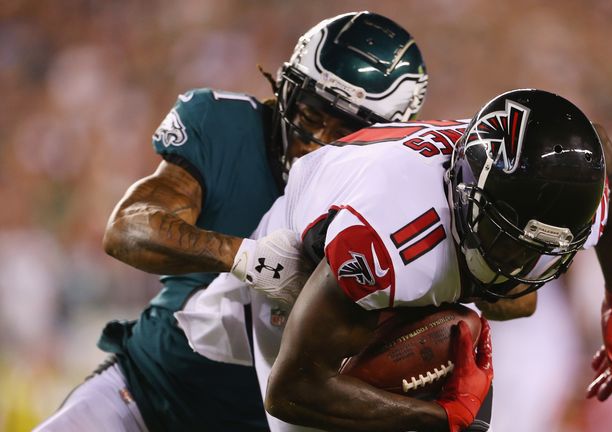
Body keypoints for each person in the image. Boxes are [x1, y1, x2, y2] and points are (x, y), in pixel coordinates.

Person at [33, 11, 428, 432]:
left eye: (345, 130)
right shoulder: (225, 124)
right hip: (147, 392)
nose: (316, 141)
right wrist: (248, 258)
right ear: (286, 89)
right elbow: (128, 229)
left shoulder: (400, 196)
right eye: (311, 115)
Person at [180, 88, 612, 431]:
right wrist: (441, 419)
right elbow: (292, 390)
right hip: (304, 265)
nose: (521, 265)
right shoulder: (387, 241)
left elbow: (611, 166)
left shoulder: (574, 185)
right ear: (467, 195)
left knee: (516, 303)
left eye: (538, 251)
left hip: (417, 246)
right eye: (510, 242)